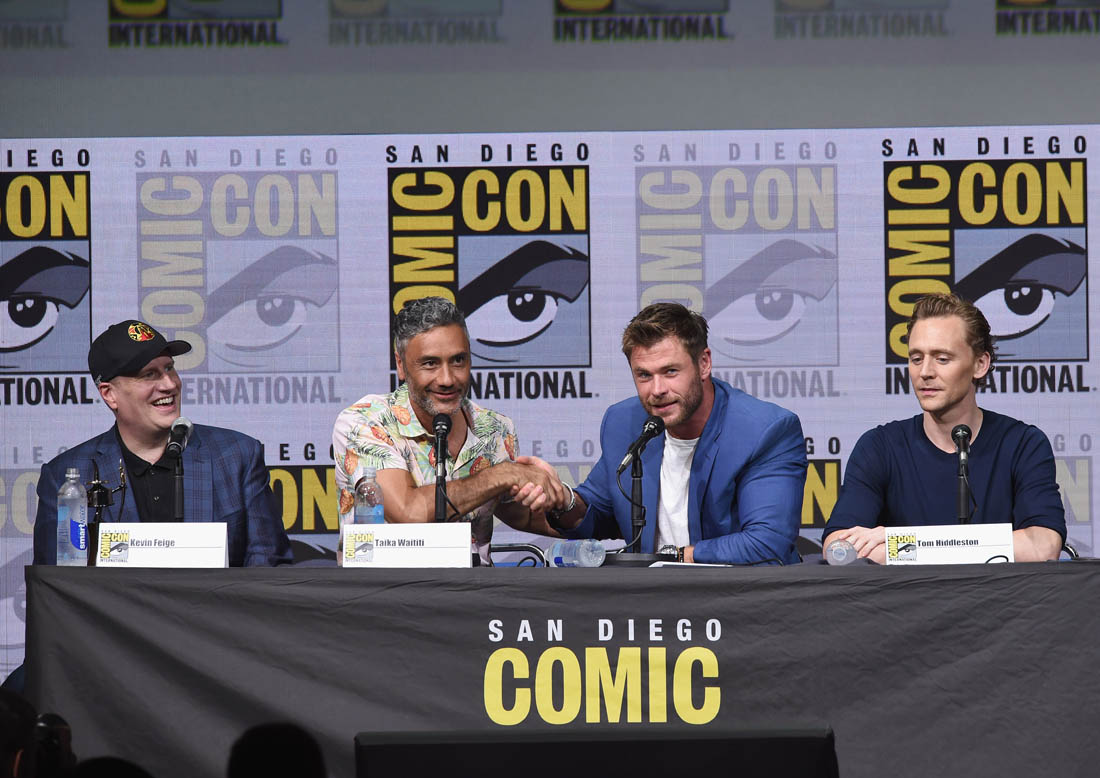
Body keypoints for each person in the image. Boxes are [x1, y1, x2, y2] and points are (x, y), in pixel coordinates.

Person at [539, 302, 807, 564]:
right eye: (644, 375)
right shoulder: (624, 422)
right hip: (653, 591)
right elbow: (599, 515)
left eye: (670, 371)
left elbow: (767, 542)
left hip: (739, 590)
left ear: (704, 363)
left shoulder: (764, 431)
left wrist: (675, 556)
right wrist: (563, 499)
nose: (657, 390)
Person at [822, 293, 1065, 563]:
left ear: (980, 364)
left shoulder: (1023, 444)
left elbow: (1043, 546)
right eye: (916, 358)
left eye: (942, 359)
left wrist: (904, 543)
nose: (925, 371)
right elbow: (838, 549)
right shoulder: (879, 447)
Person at [32, 320, 292, 567]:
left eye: (169, 368)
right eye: (149, 375)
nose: (169, 384)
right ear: (110, 394)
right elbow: (55, 585)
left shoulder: (236, 456)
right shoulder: (65, 476)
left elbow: (268, 569)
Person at [332, 297, 564, 565]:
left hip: (478, 588)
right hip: (388, 587)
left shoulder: (495, 429)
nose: (447, 379)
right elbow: (408, 513)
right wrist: (503, 474)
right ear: (401, 365)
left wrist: (560, 500)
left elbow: (523, 516)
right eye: (430, 363)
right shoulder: (365, 422)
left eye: (458, 361)